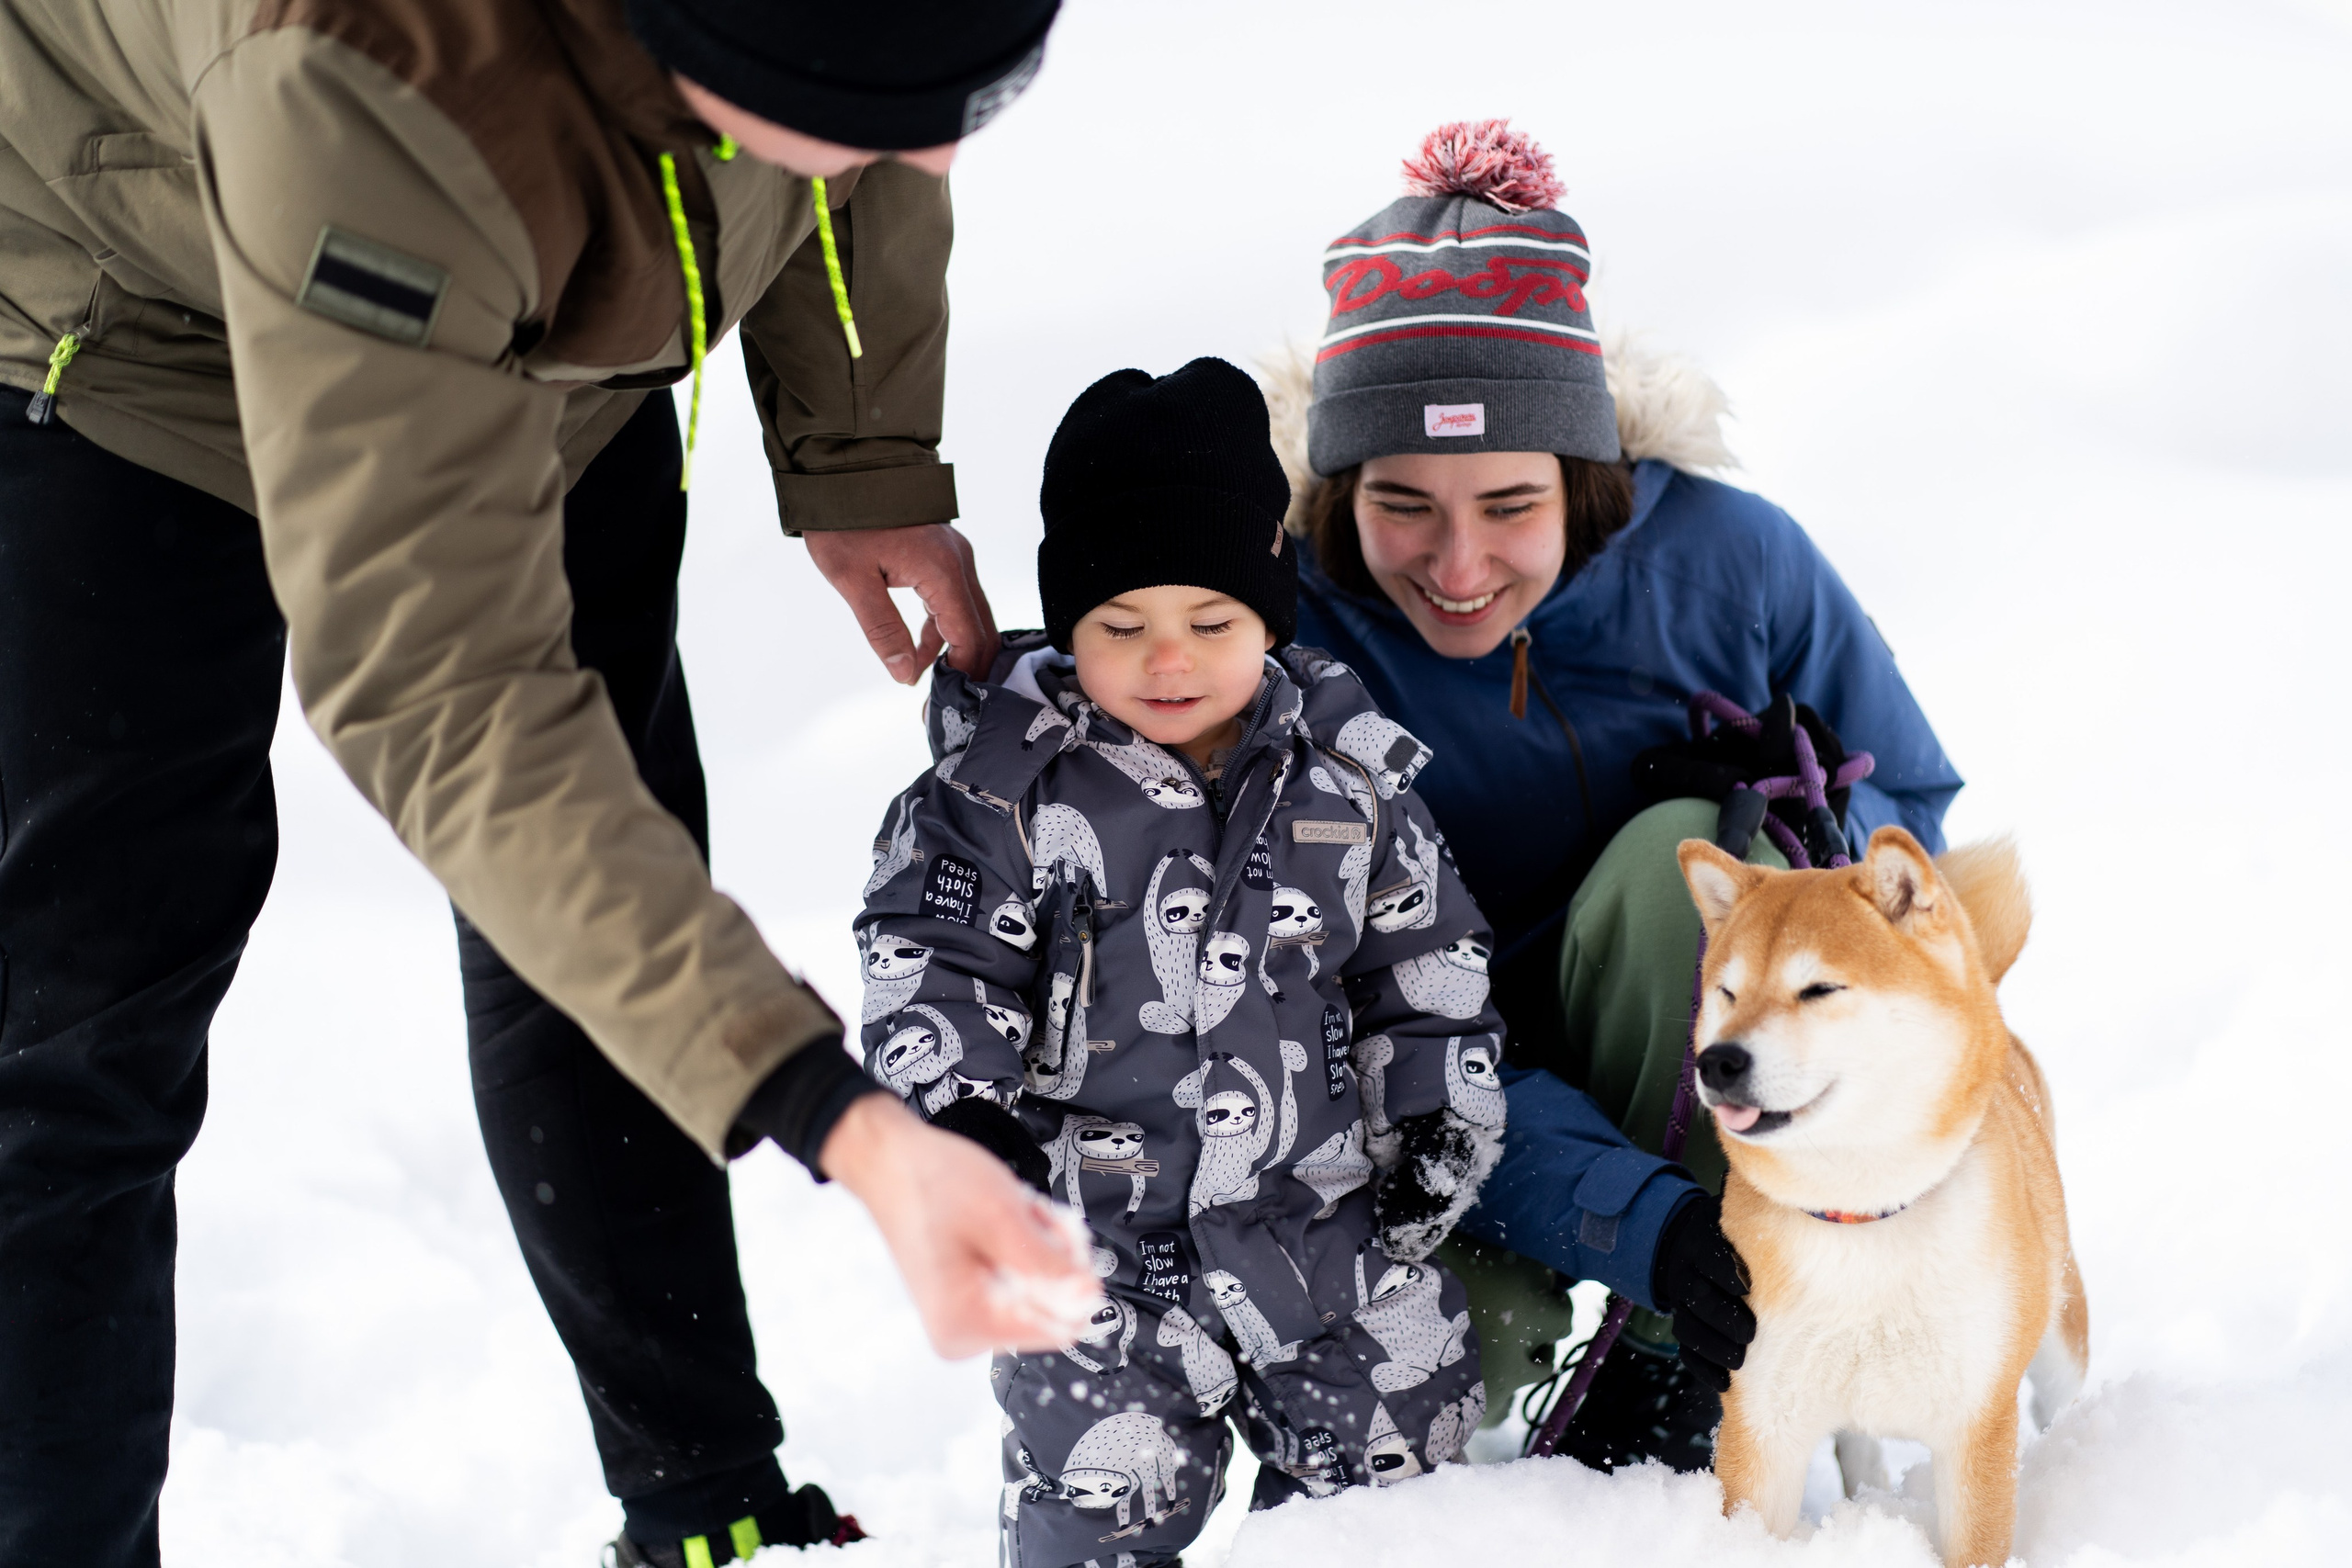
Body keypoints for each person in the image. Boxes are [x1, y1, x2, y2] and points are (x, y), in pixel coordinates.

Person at [0, 4, 1101, 1564]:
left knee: (602, 899)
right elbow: (457, 704)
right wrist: (835, 1116)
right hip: (120, 332)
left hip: (549, 304)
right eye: (878, 99)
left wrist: (862, 451)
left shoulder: (822, 65)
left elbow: (872, 123)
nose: (931, 151)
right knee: (80, 1029)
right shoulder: (364, 70)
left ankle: (706, 1507)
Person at [1272, 122, 1964, 1470]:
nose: (1457, 563)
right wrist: (1615, 1213)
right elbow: (1319, 1010)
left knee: (1691, 863)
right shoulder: (1282, 634)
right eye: (1401, 503)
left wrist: (1811, 857)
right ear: (1339, 481)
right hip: (1400, 1099)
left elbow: (1915, 842)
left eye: (1510, 503)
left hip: (1685, 1061)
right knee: (1431, 1404)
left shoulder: (1729, 566)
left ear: (1583, 473)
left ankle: (1683, 1353)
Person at [853, 359, 1499, 1566]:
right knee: (1098, 1507)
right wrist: (963, 1130)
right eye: (1121, 627)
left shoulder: (1345, 780)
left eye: (1211, 623)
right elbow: (926, 968)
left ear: (1270, 616)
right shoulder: (1004, 794)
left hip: (1321, 1232)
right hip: (1091, 1261)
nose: (1168, 661)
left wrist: (1435, 1125)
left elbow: (1421, 961)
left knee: (1406, 1463)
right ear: (1066, 620)